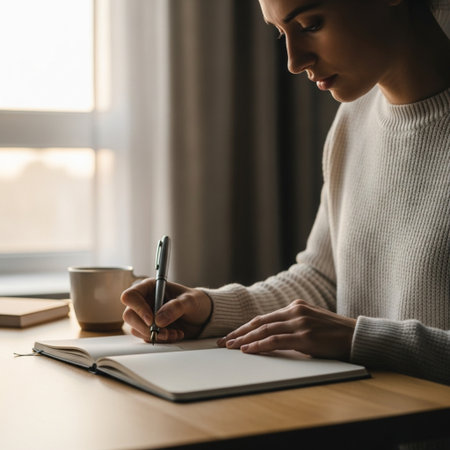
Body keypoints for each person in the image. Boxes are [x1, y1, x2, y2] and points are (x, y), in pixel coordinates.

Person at [121, 0, 450, 388]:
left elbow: (346, 327)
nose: (294, 61)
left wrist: (361, 339)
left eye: (310, 25)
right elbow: (323, 282)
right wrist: (207, 309)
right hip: (363, 421)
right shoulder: (355, 118)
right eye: (281, 33)